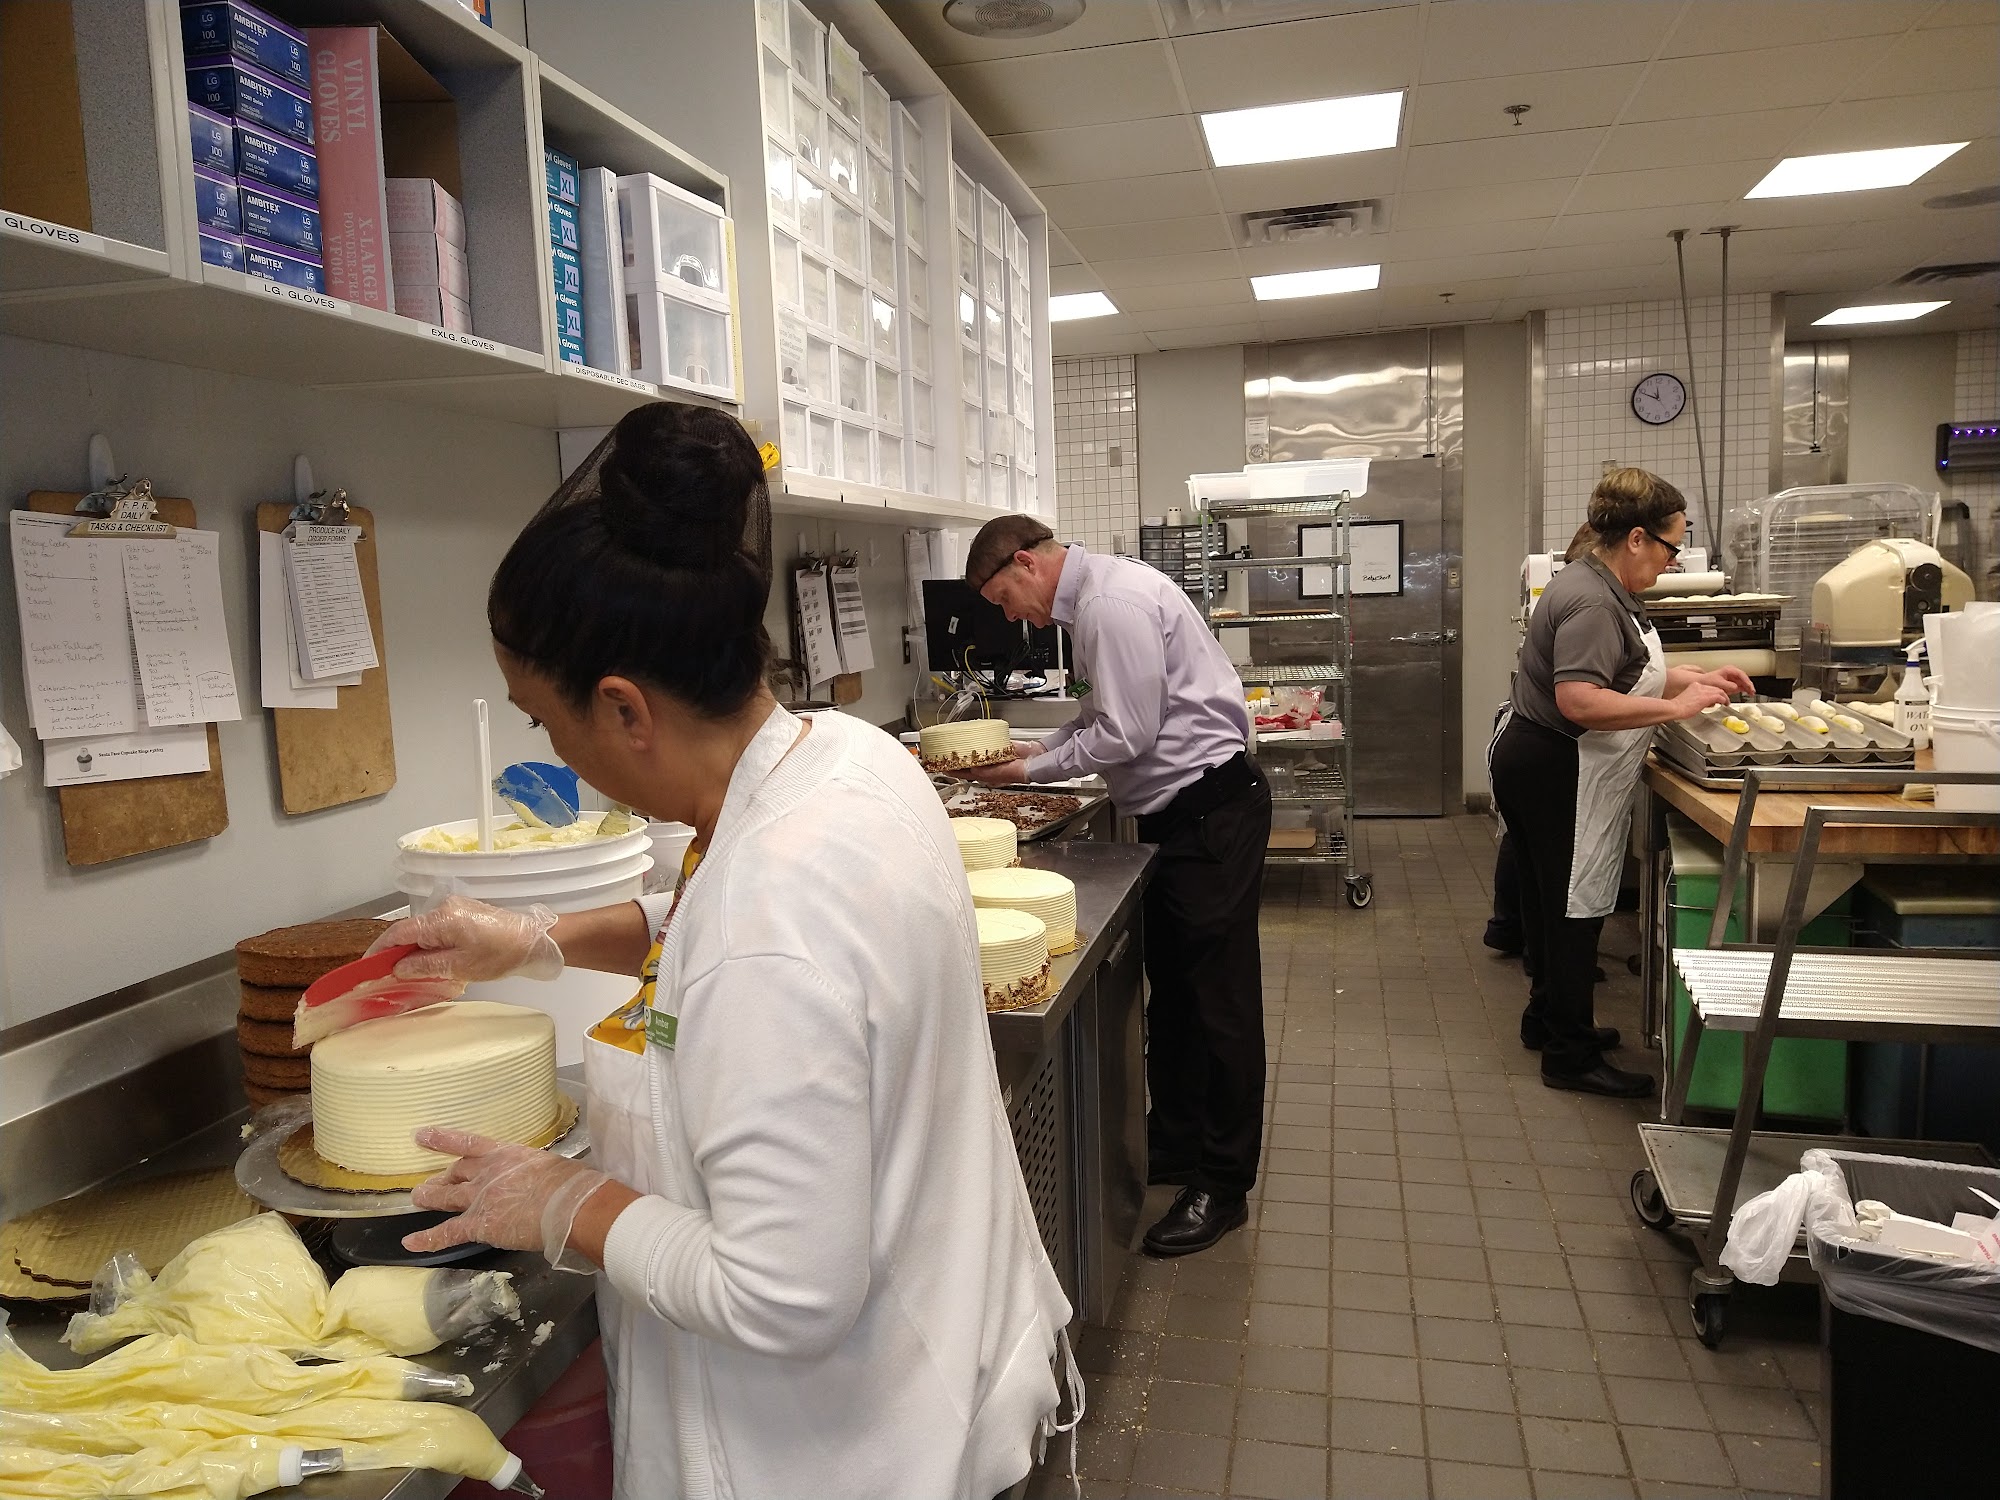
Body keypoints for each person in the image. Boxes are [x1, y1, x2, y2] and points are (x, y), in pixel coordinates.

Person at [370, 404, 1074, 1500]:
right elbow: (709, 924)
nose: (553, 751)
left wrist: (564, 1202)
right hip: (937, 1370)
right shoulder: (844, 758)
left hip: (834, 1457)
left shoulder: (766, 925)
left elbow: (783, 1293)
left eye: (543, 722)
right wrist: (536, 941)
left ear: (624, 708)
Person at [959, 515, 1272, 1258]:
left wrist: (1030, 771)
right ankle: (1178, 1141)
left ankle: (1224, 1184)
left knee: (1220, 1003)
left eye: (1003, 598)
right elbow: (1098, 714)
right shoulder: (1093, 605)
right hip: (1179, 817)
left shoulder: (1109, 605)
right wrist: (1037, 746)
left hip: (1209, 814)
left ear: (1026, 563)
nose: (1012, 616)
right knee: (1178, 993)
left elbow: (1128, 734)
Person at [1489, 468, 1752, 1098]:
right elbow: (1580, 698)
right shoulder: (1592, 602)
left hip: (1541, 760)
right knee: (1573, 909)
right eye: (1670, 546)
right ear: (1636, 538)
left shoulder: (1597, 583)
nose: (1673, 560)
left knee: (1550, 901)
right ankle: (1569, 1055)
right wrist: (1677, 708)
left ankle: (1547, 1020)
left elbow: (1625, 671)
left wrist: (1695, 678)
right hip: (1558, 766)